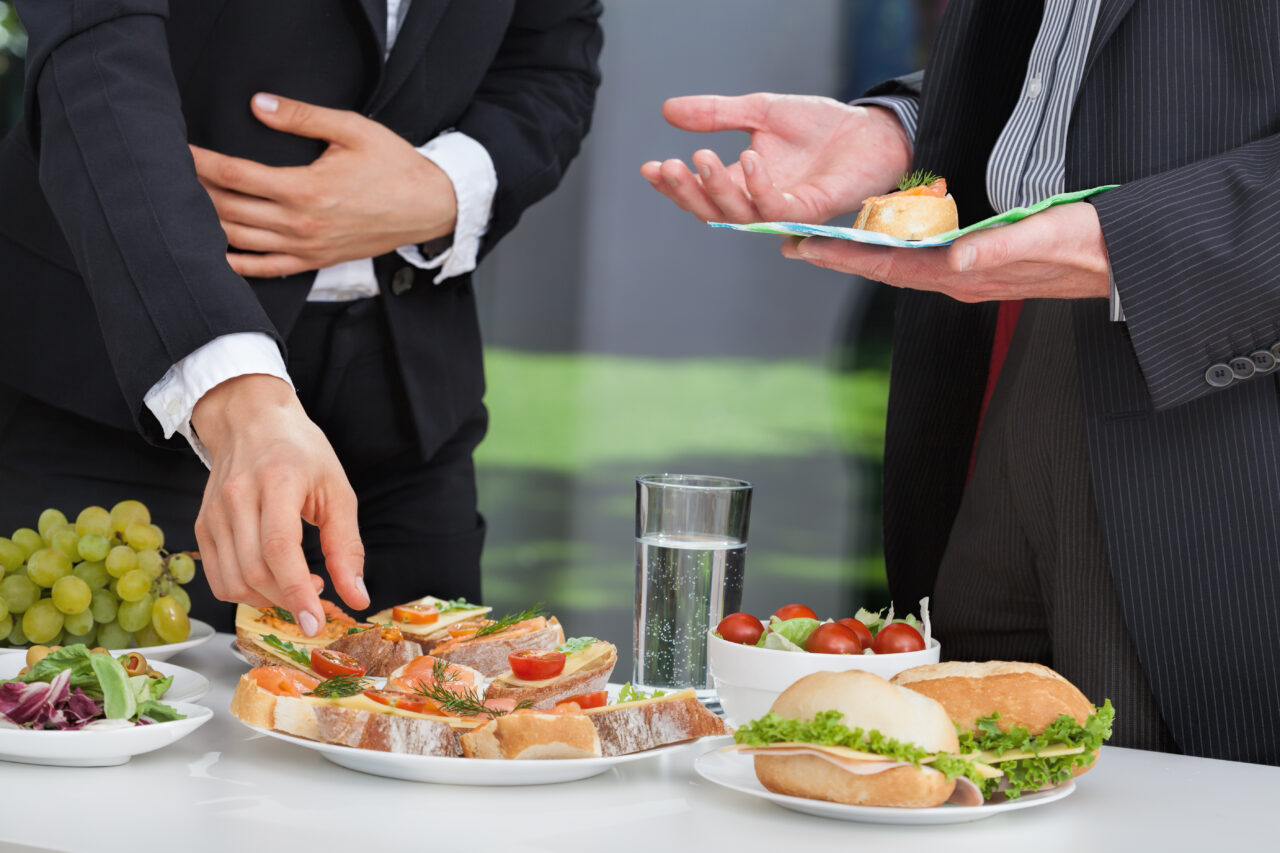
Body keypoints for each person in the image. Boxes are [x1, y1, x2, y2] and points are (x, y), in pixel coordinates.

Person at [644, 0, 1280, 766]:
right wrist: (906, 126)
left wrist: (1132, 246)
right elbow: (1067, 56)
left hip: (1221, 394)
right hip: (1002, 365)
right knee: (970, 775)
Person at [0, 0, 603, 635]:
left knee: (429, 720)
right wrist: (235, 393)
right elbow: (93, 54)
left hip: (405, 411)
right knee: (108, 720)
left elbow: (551, 59)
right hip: (111, 390)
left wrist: (443, 188)